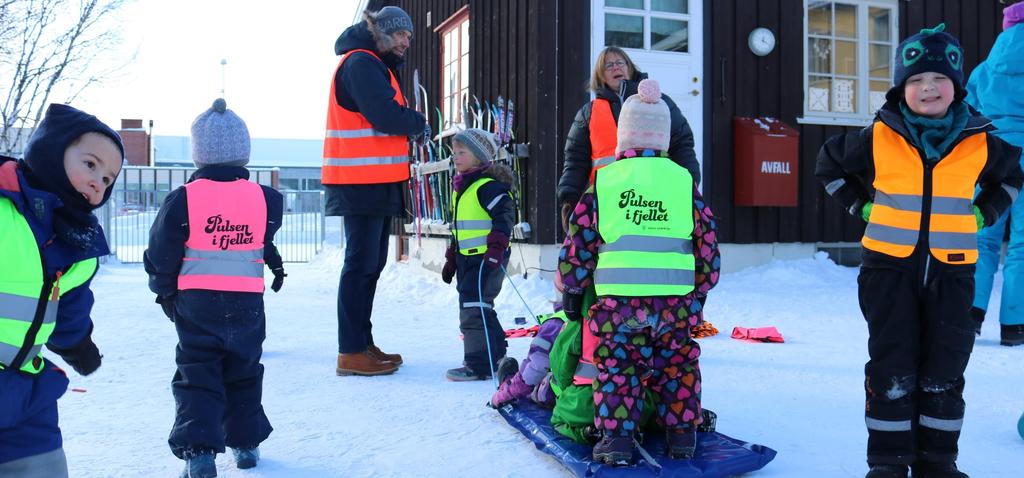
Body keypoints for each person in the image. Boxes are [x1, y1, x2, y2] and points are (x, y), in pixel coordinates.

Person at [816, 24, 1024, 478]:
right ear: (900, 87)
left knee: (944, 369)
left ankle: (938, 462)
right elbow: (828, 164)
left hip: (953, 276)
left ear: (957, 86)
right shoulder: (879, 135)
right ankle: (888, 463)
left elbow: (1011, 177)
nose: (928, 87)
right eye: (915, 80)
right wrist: (861, 204)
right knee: (892, 367)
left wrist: (984, 215)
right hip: (887, 272)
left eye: (939, 79)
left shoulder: (979, 138)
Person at [559, 79, 719, 465]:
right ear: (664, 139)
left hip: (620, 305)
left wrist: (573, 288)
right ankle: (682, 435)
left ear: (622, 138)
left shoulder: (606, 183)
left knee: (619, 369)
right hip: (677, 304)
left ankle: (616, 441)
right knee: (678, 365)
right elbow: (707, 241)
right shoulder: (684, 183)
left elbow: (580, 241)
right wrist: (701, 288)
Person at [143, 99, 284, 478]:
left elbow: (162, 250)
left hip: (196, 302)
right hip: (248, 302)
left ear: (199, 155)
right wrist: (276, 265)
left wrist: (164, 290)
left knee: (198, 372)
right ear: (243, 152)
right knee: (244, 370)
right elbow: (262, 239)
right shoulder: (266, 198)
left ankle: (200, 453)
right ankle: (246, 444)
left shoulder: (185, 198)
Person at [0, 104, 123, 477]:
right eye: (90, 164)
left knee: (44, 467)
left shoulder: (79, 246)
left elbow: (70, 303)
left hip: (25, 388)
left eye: (107, 179)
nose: (97, 181)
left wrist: (76, 344)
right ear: (51, 150)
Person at [324, 7, 429, 376]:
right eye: (400, 34)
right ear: (379, 32)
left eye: (409, 36)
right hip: (359, 183)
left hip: (374, 182)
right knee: (360, 265)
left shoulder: (375, 66)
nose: (406, 41)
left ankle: (361, 343)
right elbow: (384, 115)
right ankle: (350, 351)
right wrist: (419, 123)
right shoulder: (361, 63)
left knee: (370, 265)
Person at [557, 46, 701, 231]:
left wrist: (691, 180)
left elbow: (682, 145)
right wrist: (569, 195)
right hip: (608, 200)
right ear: (601, 76)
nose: (616, 68)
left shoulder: (659, 104)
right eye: (608, 65)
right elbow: (576, 160)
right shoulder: (589, 113)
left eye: (620, 62)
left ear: (630, 67)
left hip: (656, 197)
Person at [966, 0, 1024, 346]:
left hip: (991, 159)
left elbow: (967, 113)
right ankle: (1015, 326)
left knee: (982, 238)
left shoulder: (984, 69)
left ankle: (970, 316)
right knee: (1022, 245)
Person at [439, 128, 515, 381]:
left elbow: (504, 217)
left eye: (462, 152)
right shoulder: (462, 188)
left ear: (479, 156)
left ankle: (479, 365)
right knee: (479, 306)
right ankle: (495, 355)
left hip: (486, 257)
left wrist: (496, 248)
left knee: (473, 307)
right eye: (454, 153)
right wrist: (452, 256)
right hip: (467, 258)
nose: (456, 157)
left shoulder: (488, 187)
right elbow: (459, 229)